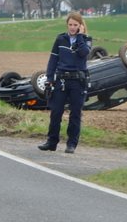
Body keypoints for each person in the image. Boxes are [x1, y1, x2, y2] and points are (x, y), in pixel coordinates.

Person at [38, 12, 92, 154]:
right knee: (56, 112)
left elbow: (83, 53)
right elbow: (53, 60)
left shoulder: (86, 40)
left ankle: (71, 144)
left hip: (77, 81)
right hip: (61, 80)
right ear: (67, 25)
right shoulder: (60, 39)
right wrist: (49, 79)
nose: (72, 27)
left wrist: (80, 36)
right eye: (70, 25)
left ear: (80, 26)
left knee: (75, 114)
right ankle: (51, 142)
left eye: (75, 25)